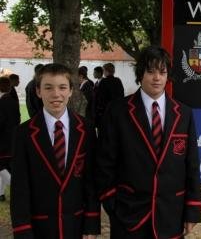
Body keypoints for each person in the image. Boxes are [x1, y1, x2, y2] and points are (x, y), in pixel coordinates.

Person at [96, 46, 201, 238]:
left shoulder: (183, 113)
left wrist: (192, 209)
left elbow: (192, 165)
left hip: (171, 214)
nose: (157, 78)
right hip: (129, 215)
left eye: (162, 72)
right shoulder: (118, 111)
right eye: (150, 71)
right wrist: (112, 203)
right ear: (140, 74)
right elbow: (104, 162)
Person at [10, 63, 100, 238]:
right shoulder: (23, 133)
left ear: (71, 90)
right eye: (48, 87)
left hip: (76, 226)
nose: (56, 94)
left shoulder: (86, 129)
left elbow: (91, 180)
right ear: (38, 91)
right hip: (39, 229)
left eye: (62, 87)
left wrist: (91, 222)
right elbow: (20, 188)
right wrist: (22, 231)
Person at [0, 76, 20, 201]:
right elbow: (17, 119)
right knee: (4, 166)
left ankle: (17, 189)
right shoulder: (12, 101)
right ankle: (1, 193)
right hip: (11, 138)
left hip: (2, 139)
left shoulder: (2, 102)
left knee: (1, 166)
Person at [94, 62, 124, 128]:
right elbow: (122, 95)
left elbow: (100, 98)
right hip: (117, 110)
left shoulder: (104, 82)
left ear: (106, 71)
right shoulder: (118, 81)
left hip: (106, 112)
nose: (103, 72)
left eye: (104, 70)